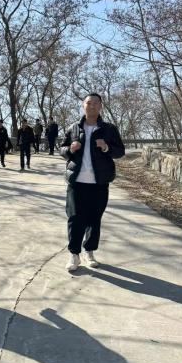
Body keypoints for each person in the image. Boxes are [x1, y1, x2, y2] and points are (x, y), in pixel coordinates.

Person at [60, 93, 125, 272]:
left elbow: (120, 151)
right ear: (83, 106)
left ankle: (89, 252)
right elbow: (62, 149)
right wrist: (70, 149)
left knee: (94, 219)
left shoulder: (109, 129)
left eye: (96, 103)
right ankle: (74, 254)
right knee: (75, 218)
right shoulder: (74, 128)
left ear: (101, 106)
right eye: (89, 103)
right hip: (76, 182)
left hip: (99, 183)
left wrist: (106, 147)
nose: (92, 106)